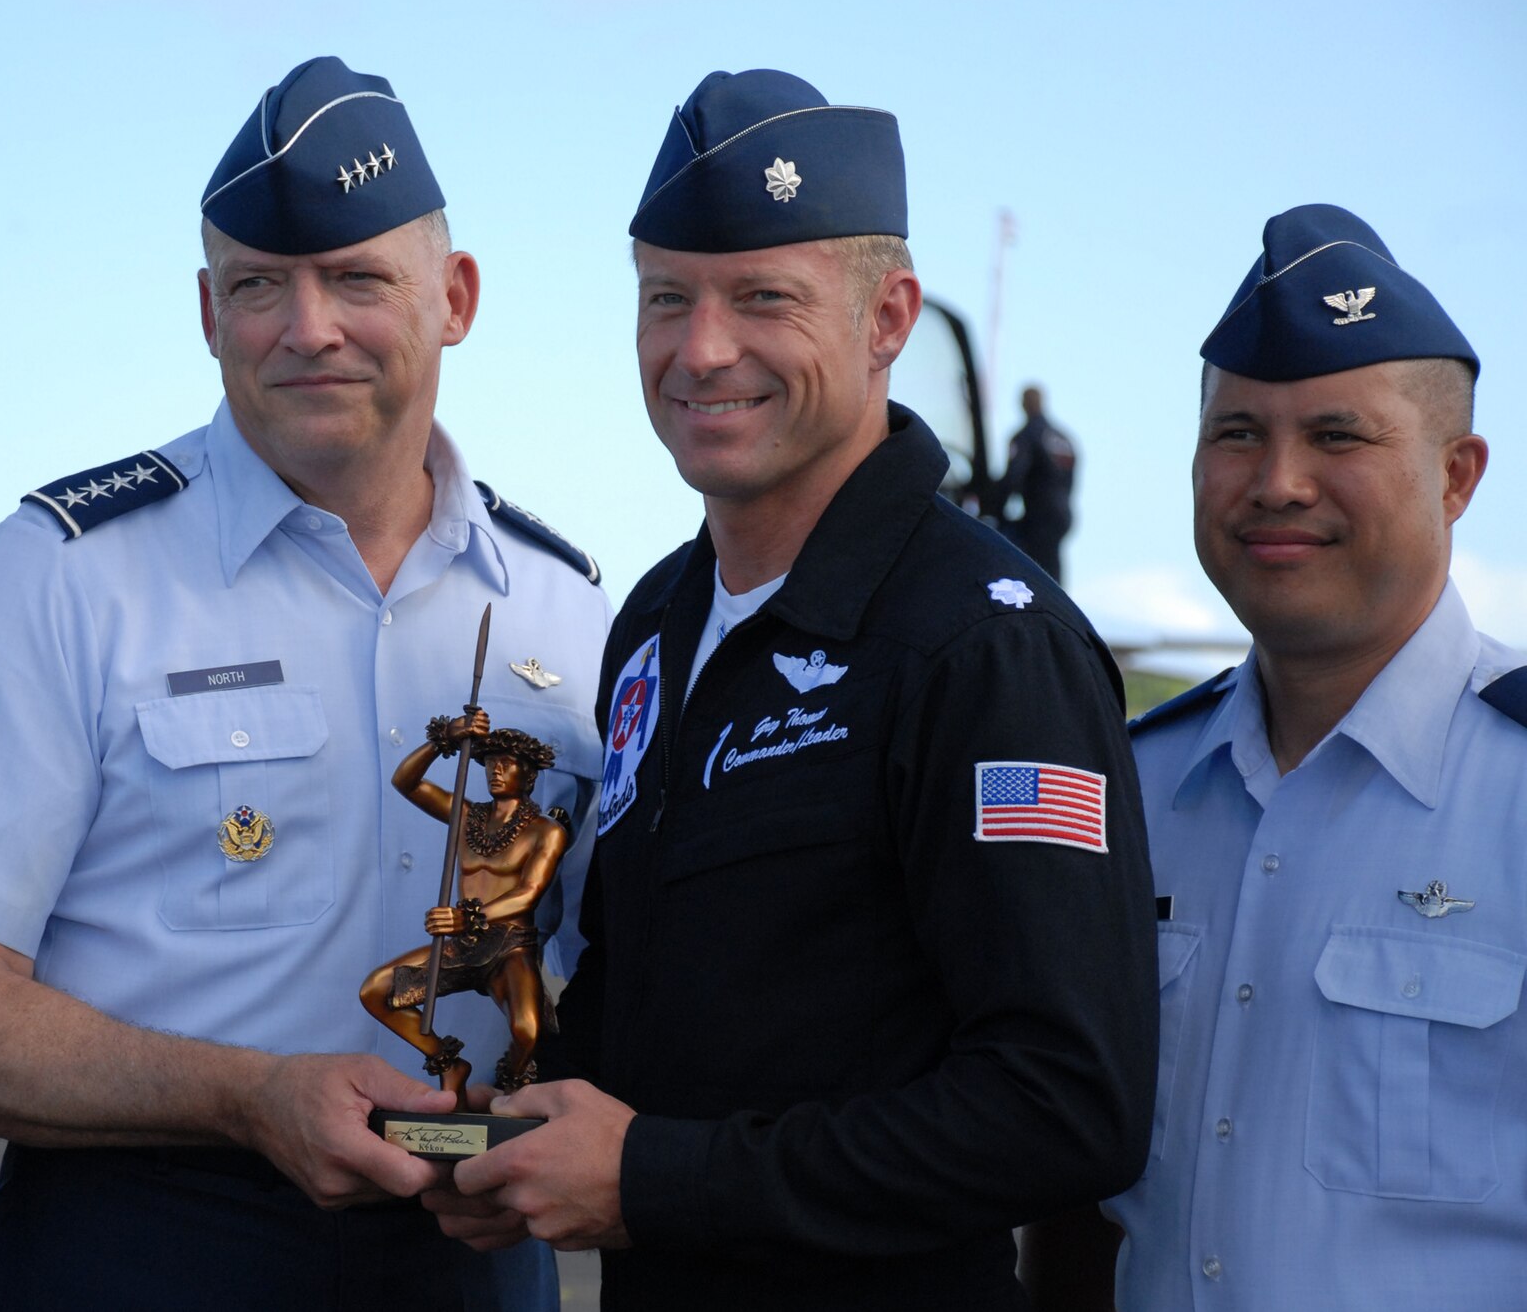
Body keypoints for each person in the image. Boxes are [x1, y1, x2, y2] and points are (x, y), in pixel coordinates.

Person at [0, 57, 609, 1310]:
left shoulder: (564, 607)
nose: (306, 328)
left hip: (470, 1252)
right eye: (259, 287)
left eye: (357, 278)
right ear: (209, 315)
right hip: (137, 1245)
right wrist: (245, 1097)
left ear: (454, 297)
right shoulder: (58, 579)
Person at [429, 69, 1159, 1310]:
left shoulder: (982, 646)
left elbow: (1063, 1106)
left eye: (763, 297)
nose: (700, 349)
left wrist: (652, 1177)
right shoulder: (656, 621)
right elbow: (666, 989)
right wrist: (493, 1132)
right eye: (666, 298)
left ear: (887, 318)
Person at [1019, 205, 1521, 1311]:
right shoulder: (1132, 787)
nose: (1276, 480)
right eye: (1236, 434)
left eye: (1336, 437)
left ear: (1455, 476)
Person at [361, 709, 571, 1101]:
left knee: (527, 1030)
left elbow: (529, 893)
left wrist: (465, 917)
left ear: (528, 775)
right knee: (375, 991)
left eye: (506, 764)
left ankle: (511, 1089)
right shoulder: (467, 816)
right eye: (490, 763)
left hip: (509, 945)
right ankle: (448, 1062)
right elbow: (405, 782)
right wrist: (447, 738)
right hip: (462, 945)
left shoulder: (546, 831)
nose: (495, 770)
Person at [992, 384, 1077, 582]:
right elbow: (1070, 480)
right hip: (1062, 516)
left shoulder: (1026, 436)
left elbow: (1014, 476)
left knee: (1032, 576)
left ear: (1023, 404)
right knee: (1053, 574)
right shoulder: (1064, 439)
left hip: (1038, 519)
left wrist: (994, 509)